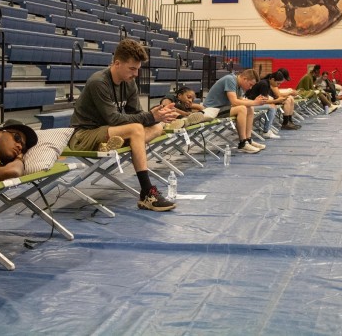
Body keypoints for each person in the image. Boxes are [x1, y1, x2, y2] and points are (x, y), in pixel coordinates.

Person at [68, 38, 178, 212]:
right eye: (132, 69)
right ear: (117, 63)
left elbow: (135, 114)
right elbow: (114, 119)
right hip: (84, 135)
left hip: (109, 132)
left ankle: (120, 142)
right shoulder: (99, 82)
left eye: (137, 69)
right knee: (136, 129)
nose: (135, 74)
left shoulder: (129, 82)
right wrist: (149, 116)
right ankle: (147, 193)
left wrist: (157, 116)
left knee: (158, 127)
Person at [203, 69, 268, 153]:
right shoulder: (230, 80)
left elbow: (241, 100)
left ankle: (248, 140)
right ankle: (243, 143)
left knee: (250, 107)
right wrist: (255, 102)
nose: (250, 88)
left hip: (222, 108)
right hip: (212, 109)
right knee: (242, 109)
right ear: (245, 79)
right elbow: (234, 101)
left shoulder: (238, 84)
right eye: (250, 85)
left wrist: (254, 102)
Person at [245, 71, 292, 138]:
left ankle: (268, 129)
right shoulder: (264, 84)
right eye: (278, 83)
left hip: (252, 102)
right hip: (250, 104)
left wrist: (276, 100)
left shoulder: (266, 83)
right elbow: (262, 101)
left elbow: (265, 99)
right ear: (272, 79)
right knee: (272, 107)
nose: (278, 86)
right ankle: (266, 131)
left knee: (273, 105)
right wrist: (276, 101)